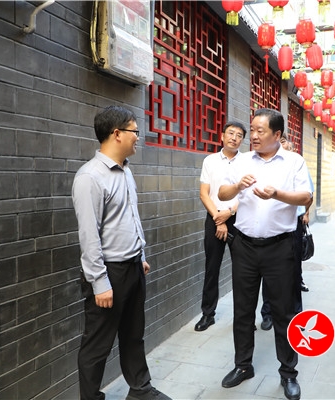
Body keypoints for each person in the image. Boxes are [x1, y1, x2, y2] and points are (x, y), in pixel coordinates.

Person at [72, 106, 171, 400]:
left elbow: (129, 218)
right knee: (97, 345)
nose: (138, 137)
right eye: (135, 131)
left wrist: (140, 256)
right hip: (109, 273)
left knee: (133, 334)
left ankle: (140, 390)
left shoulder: (126, 171)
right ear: (117, 133)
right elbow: (89, 235)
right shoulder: (90, 177)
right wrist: (99, 282)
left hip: (133, 267)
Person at [218, 108, 312, 400]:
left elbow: (306, 197)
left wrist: (277, 194)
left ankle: (288, 373)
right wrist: (237, 185)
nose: (254, 136)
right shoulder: (243, 161)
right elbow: (222, 193)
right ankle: (243, 365)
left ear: (277, 134)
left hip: (280, 247)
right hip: (244, 247)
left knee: (284, 312)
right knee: (243, 309)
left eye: (261, 131)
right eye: (253, 130)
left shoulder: (294, 162)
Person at [195, 121, 246, 331]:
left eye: (239, 135)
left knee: (243, 272)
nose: (234, 138)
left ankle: (243, 318)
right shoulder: (210, 161)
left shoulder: (247, 162)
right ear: (222, 136)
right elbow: (204, 193)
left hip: (239, 219)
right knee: (212, 268)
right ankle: (208, 314)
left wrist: (229, 212)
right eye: (231, 133)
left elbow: (247, 195)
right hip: (214, 217)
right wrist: (218, 217)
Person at [260, 137, 312, 331]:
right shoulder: (267, 168)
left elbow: (308, 195)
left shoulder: (298, 165)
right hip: (271, 222)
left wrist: (306, 212)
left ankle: (296, 314)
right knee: (267, 269)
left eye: (288, 147)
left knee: (293, 270)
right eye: (282, 146)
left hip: (293, 224)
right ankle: (268, 313)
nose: (284, 149)